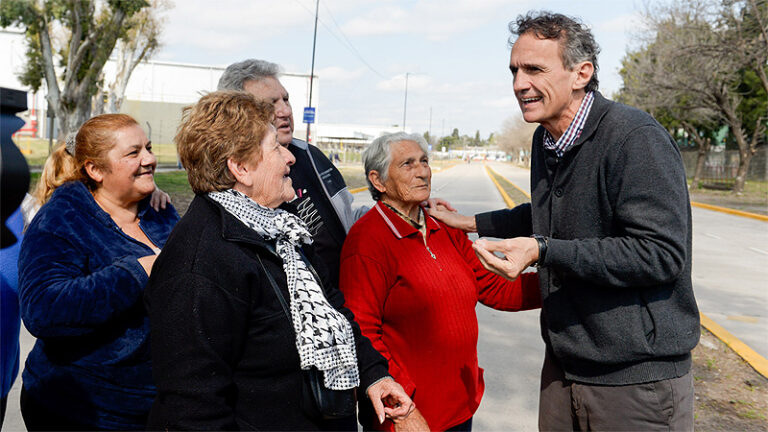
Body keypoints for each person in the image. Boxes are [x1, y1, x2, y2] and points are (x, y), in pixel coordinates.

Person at [429, 11, 699, 431]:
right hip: (563, 371)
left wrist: (543, 250)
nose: (519, 84)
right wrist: (468, 222)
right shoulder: (546, 138)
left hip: (633, 381)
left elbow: (659, 254)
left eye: (535, 69)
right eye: (515, 70)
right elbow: (546, 215)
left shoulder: (634, 138)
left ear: (581, 73)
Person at [144, 91, 414, 431]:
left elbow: (334, 310)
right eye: (276, 147)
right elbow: (193, 408)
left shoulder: (283, 228)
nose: (290, 158)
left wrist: (374, 375)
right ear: (240, 168)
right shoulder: (199, 264)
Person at [340, 132, 541, 431]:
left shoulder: (442, 225)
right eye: (407, 164)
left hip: (459, 405)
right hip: (409, 414)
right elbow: (362, 331)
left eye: (424, 161)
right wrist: (401, 409)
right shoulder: (368, 240)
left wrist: (563, 278)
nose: (422, 171)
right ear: (378, 180)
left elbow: (494, 288)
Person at [17, 113, 179, 430]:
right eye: (133, 153)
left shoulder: (159, 210)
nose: (149, 159)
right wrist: (136, 273)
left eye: (148, 147)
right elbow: (42, 310)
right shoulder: (62, 219)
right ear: (94, 169)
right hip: (80, 410)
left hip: (151, 407)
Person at [217, 59, 366, 288]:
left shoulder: (310, 155)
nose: (285, 111)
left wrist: (394, 212)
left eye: (285, 99)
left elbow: (347, 217)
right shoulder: (232, 177)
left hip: (342, 294)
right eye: (270, 103)